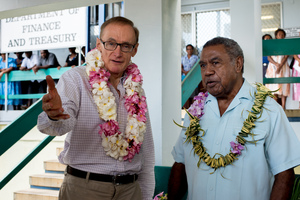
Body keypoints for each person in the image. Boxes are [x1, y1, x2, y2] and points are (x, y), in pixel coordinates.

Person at [37, 16, 155, 200]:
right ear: (99, 44)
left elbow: (146, 152)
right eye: (111, 43)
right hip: (85, 189)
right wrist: (55, 116)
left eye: (125, 46)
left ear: (135, 49)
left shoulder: (137, 90)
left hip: (131, 191)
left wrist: (146, 195)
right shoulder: (76, 79)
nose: (117, 52)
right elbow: (59, 126)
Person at [168, 37, 300, 200]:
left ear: (238, 64)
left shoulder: (268, 110)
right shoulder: (194, 112)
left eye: (215, 63)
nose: (207, 71)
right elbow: (180, 163)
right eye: (203, 65)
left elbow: (284, 174)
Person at [265, 28, 290, 109]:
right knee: (273, 86)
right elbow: (269, 57)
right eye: (279, 34)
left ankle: (283, 106)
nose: (281, 36)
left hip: (283, 67)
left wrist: (280, 66)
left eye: (283, 35)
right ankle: (275, 106)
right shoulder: (272, 44)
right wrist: (276, 64)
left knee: (284, 85)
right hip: (273, 67)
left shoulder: (286, 44)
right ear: (276, 36)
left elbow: (286, 56)